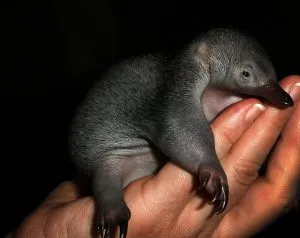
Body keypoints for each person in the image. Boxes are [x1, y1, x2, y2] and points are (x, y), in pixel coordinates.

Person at [10, 75, 300, 238]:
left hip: (137, 157)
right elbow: (173, 127)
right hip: (110, 147)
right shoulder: (179, 89)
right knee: (110, 171)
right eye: (248, 76)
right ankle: (111, 207)